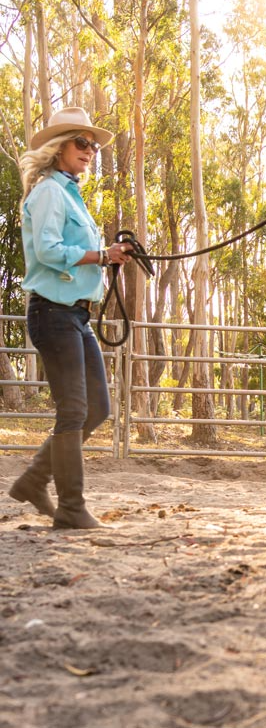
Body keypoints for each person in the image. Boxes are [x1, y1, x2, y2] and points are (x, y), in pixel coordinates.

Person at [8, 107, 133, 529]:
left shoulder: (69, 193)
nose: (90, 151)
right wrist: (101, 255)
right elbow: (46, 250)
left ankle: (33, 480)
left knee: (97, 407)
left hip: (75, 316)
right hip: (52, 312)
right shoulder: (47, 191)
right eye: (82, 143)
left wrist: (106, 257)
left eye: (93, 146)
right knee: (75, 409)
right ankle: (72, 508)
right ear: (58, 146)